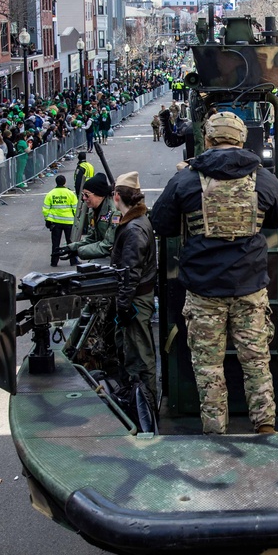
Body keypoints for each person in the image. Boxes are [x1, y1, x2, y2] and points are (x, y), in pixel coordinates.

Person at [150, 112, 278, 435]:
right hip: (250, 288)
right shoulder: (263, 178)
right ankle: (265, 426)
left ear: (208, 140)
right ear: (241, 140)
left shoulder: (186, 180)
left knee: (209, 368)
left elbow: (161, 223)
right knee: (256, 362)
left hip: (203, 291)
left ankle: (215, 432)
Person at [109, 171, 158, 401]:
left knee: (140, 355)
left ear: (117, 196)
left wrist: (123, 304)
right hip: (138, 297)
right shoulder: (137, 222)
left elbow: (130, 272)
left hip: (136, 299)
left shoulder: (134, 229)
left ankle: (146, 405)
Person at [58, 173, 116, 263]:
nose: (84, 198)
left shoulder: (114, 213)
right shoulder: (93, 212)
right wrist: (71, 247)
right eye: (82, 194)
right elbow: (92, 238)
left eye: (87, 195)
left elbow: (108, 245)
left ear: (99, 194)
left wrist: (79, 251)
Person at [42, 175, 78, 267]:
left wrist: (48, 219)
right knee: (71, 243)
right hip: (69, 222)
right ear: (65, 182)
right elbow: (75, 208)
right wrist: (75, 219)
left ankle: (54, 262)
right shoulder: (70, 194)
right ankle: (73, 261)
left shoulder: (51, 194)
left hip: (55, 222)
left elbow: (46, 209)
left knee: (55, 243)